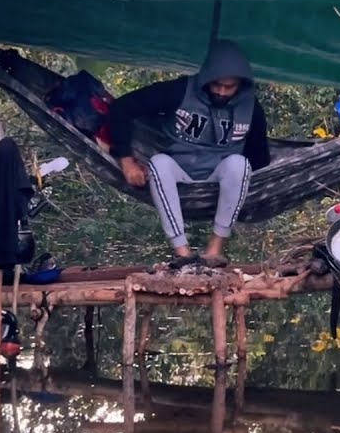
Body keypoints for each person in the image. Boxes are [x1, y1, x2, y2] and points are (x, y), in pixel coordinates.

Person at [107, 39, 271, 268]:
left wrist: (260, 193)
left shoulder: (251, 109)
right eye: (217, 85)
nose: (222, 92)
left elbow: (259, 161)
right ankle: (182, 251)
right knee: (158, 163)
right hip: (178, 171)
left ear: (240, 85)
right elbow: (122, 108)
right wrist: (126, 160)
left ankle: (214, 248)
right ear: (206, 78)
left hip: (219, 177)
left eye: (229, 87)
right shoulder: (180, 91)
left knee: (239, 164)